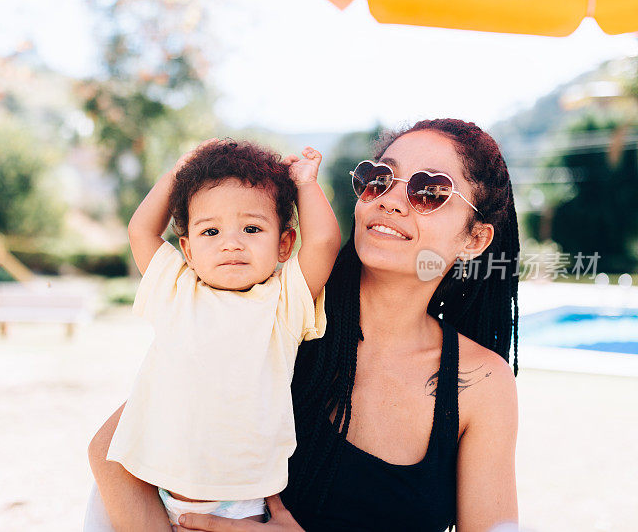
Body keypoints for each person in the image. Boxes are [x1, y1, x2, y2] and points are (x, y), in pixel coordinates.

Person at [85, 119, 520, 532]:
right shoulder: (277, 315)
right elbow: (111, 453)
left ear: (475, 239)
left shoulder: (482, 383)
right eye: (378, 177)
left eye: (430, 190)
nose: (389, 199)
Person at [102, 139, 341, 526]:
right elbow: (141, 231)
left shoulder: (283, 302)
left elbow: (325, 242)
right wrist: (177, 175)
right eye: (210, 232)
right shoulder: (176, 290)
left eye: (251, 228)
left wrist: (306, 186)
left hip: (243, 505)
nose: (231, 243)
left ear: (284, 244)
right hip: (160, 494)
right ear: (188, 249)